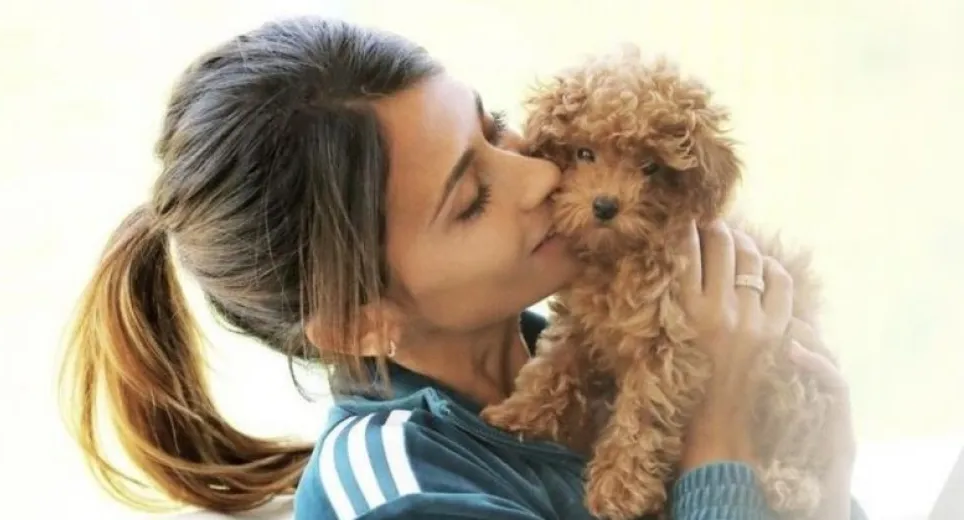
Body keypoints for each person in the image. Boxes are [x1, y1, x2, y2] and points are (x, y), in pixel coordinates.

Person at [59, 15, 865, 520]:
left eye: (496, 128)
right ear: (360, 323)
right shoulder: (405, 496)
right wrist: (720, 425)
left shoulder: (581, 342)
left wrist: (821, 471)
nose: (541, 174)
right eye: (472, 199)